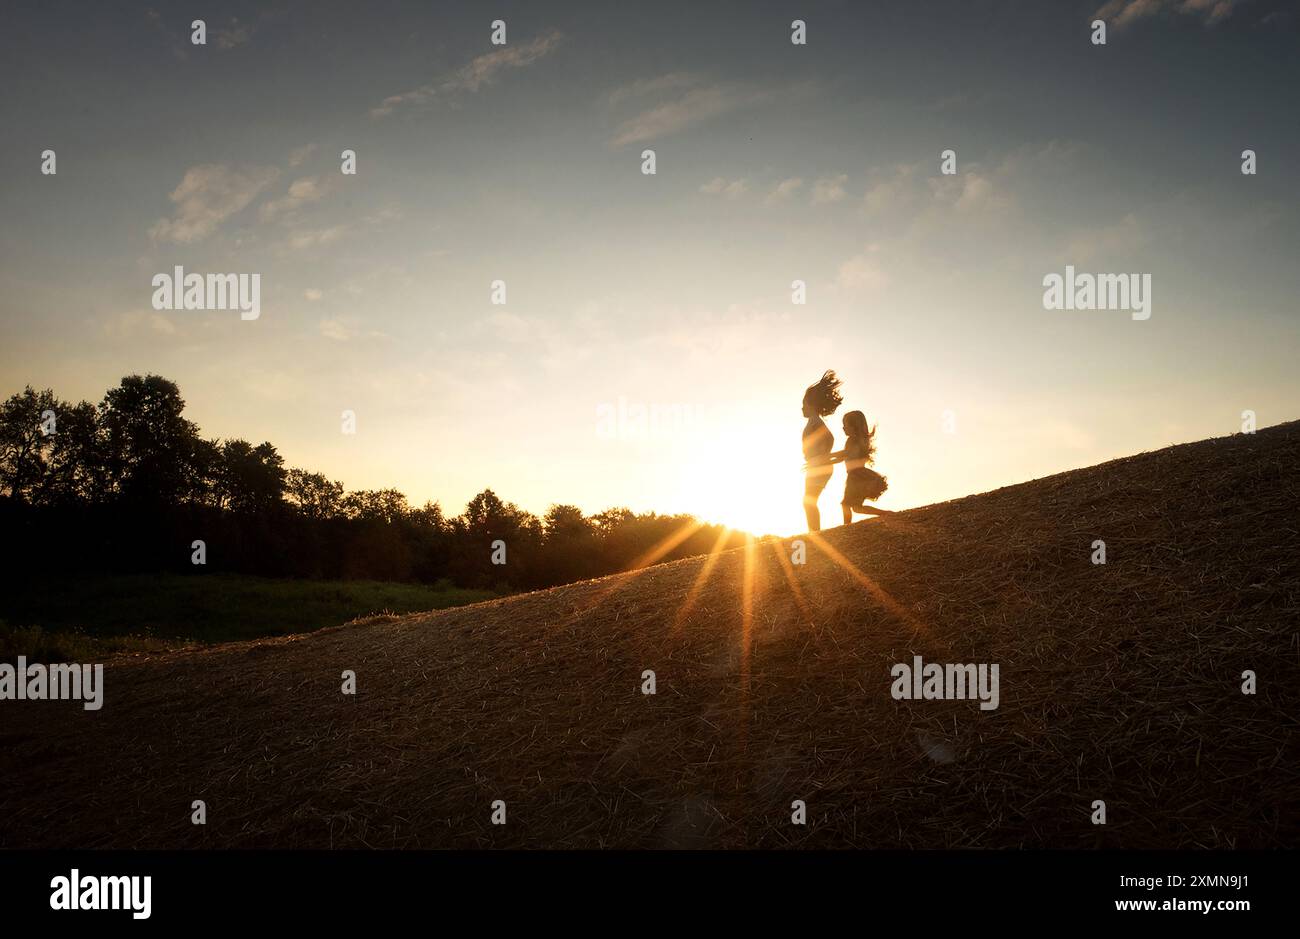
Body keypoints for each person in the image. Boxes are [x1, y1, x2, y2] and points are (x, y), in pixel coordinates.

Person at [827, 410, 890, 524]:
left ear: (854, 426)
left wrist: (828, 456)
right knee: (856, 507)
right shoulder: (860, 441)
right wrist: (827, 460)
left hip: (855, 476)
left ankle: (847, 527)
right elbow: (843, 457)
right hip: (860, 475)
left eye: (845, 425)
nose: (843, 428)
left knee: (846, 505)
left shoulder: (852, 440)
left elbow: (845, 453)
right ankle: (885, 513)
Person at [801, 370, 843, 531]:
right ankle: (814, 533)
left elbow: (829, 439)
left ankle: (815, 534)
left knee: (808, 501)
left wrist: (819, 458)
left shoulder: (815, 422)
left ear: (811, 405)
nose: (801, 408)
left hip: (819, 466)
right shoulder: (814, 422)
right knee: (808, 501)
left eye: (804, 404)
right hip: (817, 465)